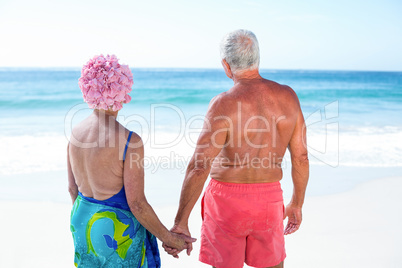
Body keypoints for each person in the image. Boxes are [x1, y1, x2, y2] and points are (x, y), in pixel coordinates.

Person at [163, 30, 309, 268]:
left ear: (226, 65)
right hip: (269, 199)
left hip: (226, 202)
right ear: (258, 58)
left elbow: (200, 166)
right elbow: (301, 157)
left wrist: (180, 222)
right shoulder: (288, 96)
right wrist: (296, 203)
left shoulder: (224, 103)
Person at [68, 54, 195, 267]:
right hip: (116, 230)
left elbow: (72, 190)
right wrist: (170, 238)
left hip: (82, 221)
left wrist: (88, 223)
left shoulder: (75, 134)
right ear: (122, 89)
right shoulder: (129, 140)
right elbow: (136, 204)